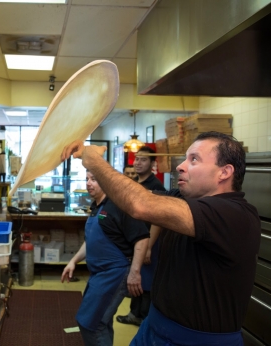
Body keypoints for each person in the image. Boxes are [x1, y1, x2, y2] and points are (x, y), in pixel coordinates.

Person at [61, 132, 260, 345]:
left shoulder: (234, 214)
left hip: (197, 340)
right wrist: (92, 162)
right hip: (155, 326)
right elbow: (132, 197)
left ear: (225, 172)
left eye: (194, 159)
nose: (180, 166)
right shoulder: (182, 199)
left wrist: (97, 163)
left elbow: (140, 204)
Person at [61, 170, 149, 346]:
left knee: (93, 324)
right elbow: (91, 240)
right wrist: (74, 260)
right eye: (87, 179)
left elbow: (142, 238)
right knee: (101, 321)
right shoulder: (97, 207)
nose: (88, 183)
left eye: (94, 179)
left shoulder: (119, 206)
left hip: (115, 273)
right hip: (99, 274)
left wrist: (135, 272)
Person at [117, 146, 166, 326]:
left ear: (153, 164)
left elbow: (158, 220)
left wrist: (149, 248)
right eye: (136, 159)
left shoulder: (156, 187)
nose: (138, 163)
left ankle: (143, 319)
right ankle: (134, 313)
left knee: (145, 284)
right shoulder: (136, 183)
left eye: (143, 159)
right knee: (136, 280)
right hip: (136, 240)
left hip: (148, 242)